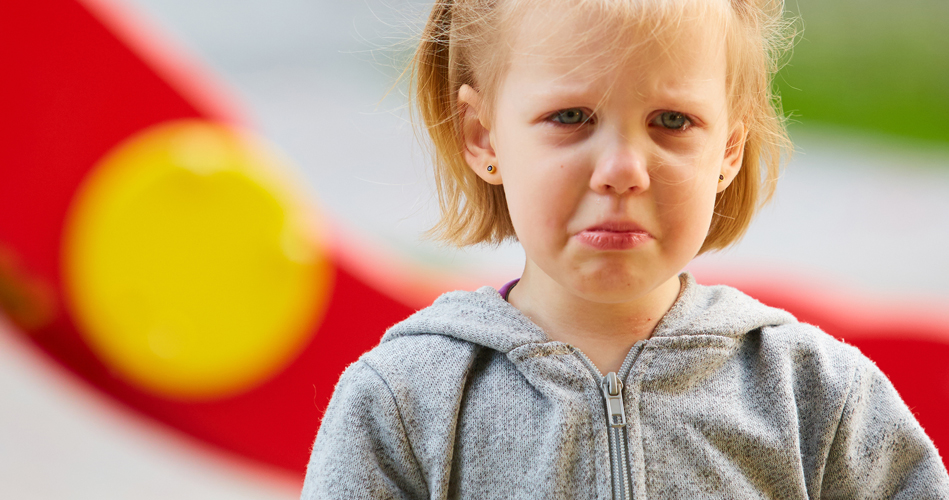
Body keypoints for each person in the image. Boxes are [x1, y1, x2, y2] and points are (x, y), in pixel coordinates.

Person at [301, 0, 949, 497]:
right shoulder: (403, 403)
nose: (620, 168)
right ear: (483, 136)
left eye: (672, 121)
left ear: (726, 149)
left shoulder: (817, 397)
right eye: (570, 117)